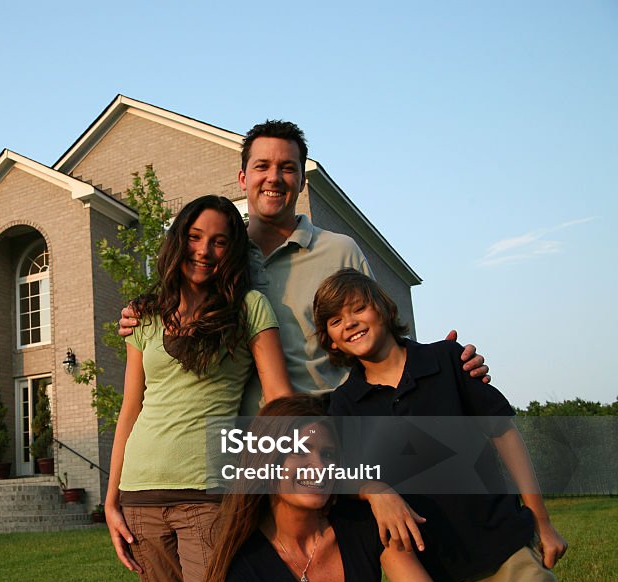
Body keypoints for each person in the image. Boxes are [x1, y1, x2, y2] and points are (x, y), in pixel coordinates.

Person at [315, 268, 599, 582]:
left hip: (504, 549)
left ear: (384, 308)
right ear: (330, 338)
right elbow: (341, 473)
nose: (351, 323)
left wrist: (542, 520)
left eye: (358, 308)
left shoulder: (447, 360)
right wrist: (374, 490)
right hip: (433, 575)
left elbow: (504, 434)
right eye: (336, 320)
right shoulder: (345, 403)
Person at [118, 120, 488, 412]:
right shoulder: (221, 259)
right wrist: (139, 314)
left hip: (335, 425)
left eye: (287, 167)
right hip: (250, 436)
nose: (274, 177)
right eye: (262, 166)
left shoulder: (339, 251)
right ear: (243, 179)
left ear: (301, 179)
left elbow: (379, 337)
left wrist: (447, 364)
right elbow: (182, 309)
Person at [106, 195, 293, 582]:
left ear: (231, 251)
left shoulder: (249, 307)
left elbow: (278, 399)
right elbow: (131, 410)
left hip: (208, 497)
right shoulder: (145, 316)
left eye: (218, 241)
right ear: (178, 241)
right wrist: (111, 501)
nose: (204, 250)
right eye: (194, 237)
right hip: (141, 498)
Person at [204, 395, 510, 582]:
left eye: (327, 454)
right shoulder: (242, 569)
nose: (319, 467)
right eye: (299, 451)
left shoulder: (362, 525)